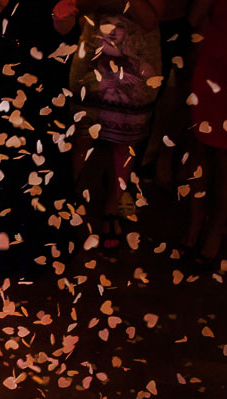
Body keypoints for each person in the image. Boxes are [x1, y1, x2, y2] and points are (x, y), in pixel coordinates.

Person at [0, 0, 78, 279]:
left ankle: (30, 255)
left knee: (34, 163)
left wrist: (62, 19)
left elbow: (67, 28)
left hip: (40, 80)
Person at [54, 0, 165, 247]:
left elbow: (149, 19)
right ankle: (67, 204)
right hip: (92, 60)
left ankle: (110, 211)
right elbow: (73, 5)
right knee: (80, 138)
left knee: (124, 145)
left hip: (136, 64)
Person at [182, 0, 226, 265]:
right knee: (199, 148)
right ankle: (195, 222)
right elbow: (195, 18)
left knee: (223, 159)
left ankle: (215, 230)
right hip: (210, 65)